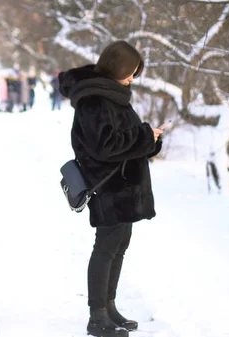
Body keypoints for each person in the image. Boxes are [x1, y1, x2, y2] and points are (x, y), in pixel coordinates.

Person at [58, 40, 163, 337]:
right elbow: (106, 146)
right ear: (116, 68)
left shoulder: (112, 95)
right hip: (108, 187)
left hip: (124, 185)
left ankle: (110, 307)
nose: (132, 79)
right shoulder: (94, 100)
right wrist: (144, 136)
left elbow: (125, 142)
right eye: (130, 73)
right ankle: (97, 316)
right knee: (105, 248)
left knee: (118, 248)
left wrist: (149, 140)